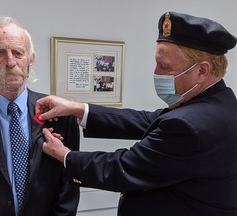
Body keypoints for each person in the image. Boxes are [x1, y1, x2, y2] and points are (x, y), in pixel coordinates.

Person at [35, 11, 237, 216]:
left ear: (202, 70)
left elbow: (123, 167)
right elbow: (148, 121)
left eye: (165, 67)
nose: (156, 73)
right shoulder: (220, 105)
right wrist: (77, 108)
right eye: (157, 63)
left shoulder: (192, 125)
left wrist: (65, 155)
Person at [0, 17, 80, 216]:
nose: (11, 62)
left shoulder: (61, 115)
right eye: (0, 52)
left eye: (18, 52)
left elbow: (69, 187)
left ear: (31, 59)